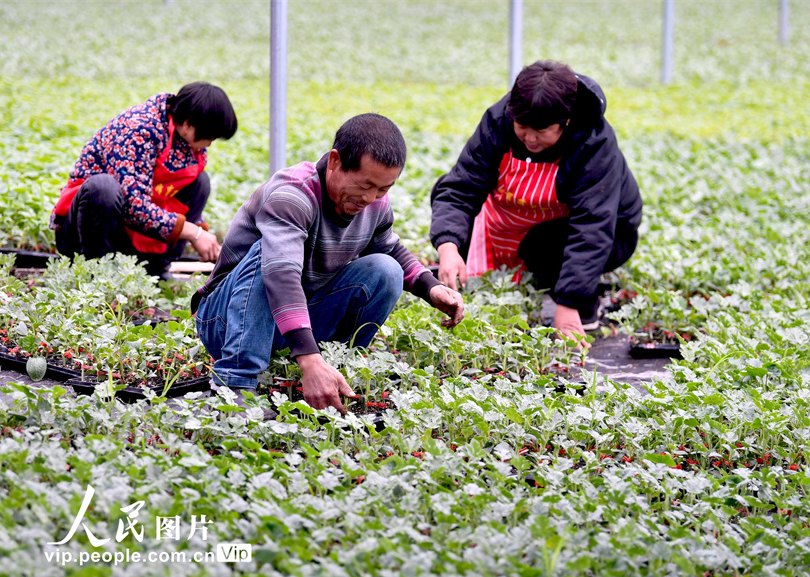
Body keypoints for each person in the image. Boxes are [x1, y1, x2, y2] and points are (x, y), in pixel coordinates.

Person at [192, 113, 465, 413]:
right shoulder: (292, 195)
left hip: (291, 323)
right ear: (335, 161)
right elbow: (281, 276)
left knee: (386, 271)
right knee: (270, 256)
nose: (371, 198)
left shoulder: (373, 203)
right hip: (226, 320)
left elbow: (389, 249)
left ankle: (329, 367)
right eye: (365, 185)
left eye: (383, 189)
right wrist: (307, 358)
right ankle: (236, 383)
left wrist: (432, 288)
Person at [430, 60, 642, 341]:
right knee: (453, 222)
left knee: (542, 247)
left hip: (607, 234)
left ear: (565, 121)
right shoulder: (499, 120)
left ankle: (582, 299)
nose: (529, 137)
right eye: (522, 126)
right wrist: (447, 247)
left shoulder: (594, 143)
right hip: (518, 219)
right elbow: (460, 188)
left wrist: (569, 304)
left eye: (541, 131)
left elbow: (592, 227)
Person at [50, 82, 238, 279]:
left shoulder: (189, 142)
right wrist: (193, 233)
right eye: (210, 136)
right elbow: (134, 208)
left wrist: (203, 235)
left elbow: (167, 194)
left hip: (130, 234)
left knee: (200, 182)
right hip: (85, 233)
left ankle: (156, 270)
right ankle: (97, 275)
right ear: (188, 125)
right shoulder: (139, 129)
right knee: (103, 188)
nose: (210, 143)